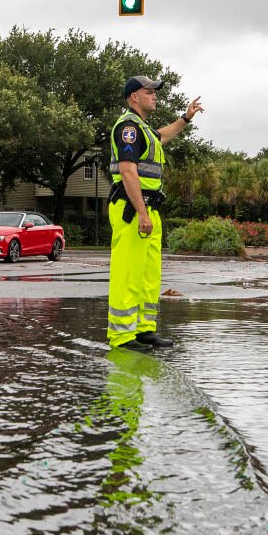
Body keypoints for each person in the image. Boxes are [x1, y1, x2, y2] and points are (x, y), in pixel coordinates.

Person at [107, 75, 203, 349]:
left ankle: (144, 329)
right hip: (132, 209)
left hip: (149, 208)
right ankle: (122, 336)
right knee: (128, 273)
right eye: (148, 91)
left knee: (148, 274)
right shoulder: (128, 128)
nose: (154, 95)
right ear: (133, 97)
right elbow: (127, 171)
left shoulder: (144, 130)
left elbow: (164, 135)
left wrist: (185, 118)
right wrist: (142, 212)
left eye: (154, 92)